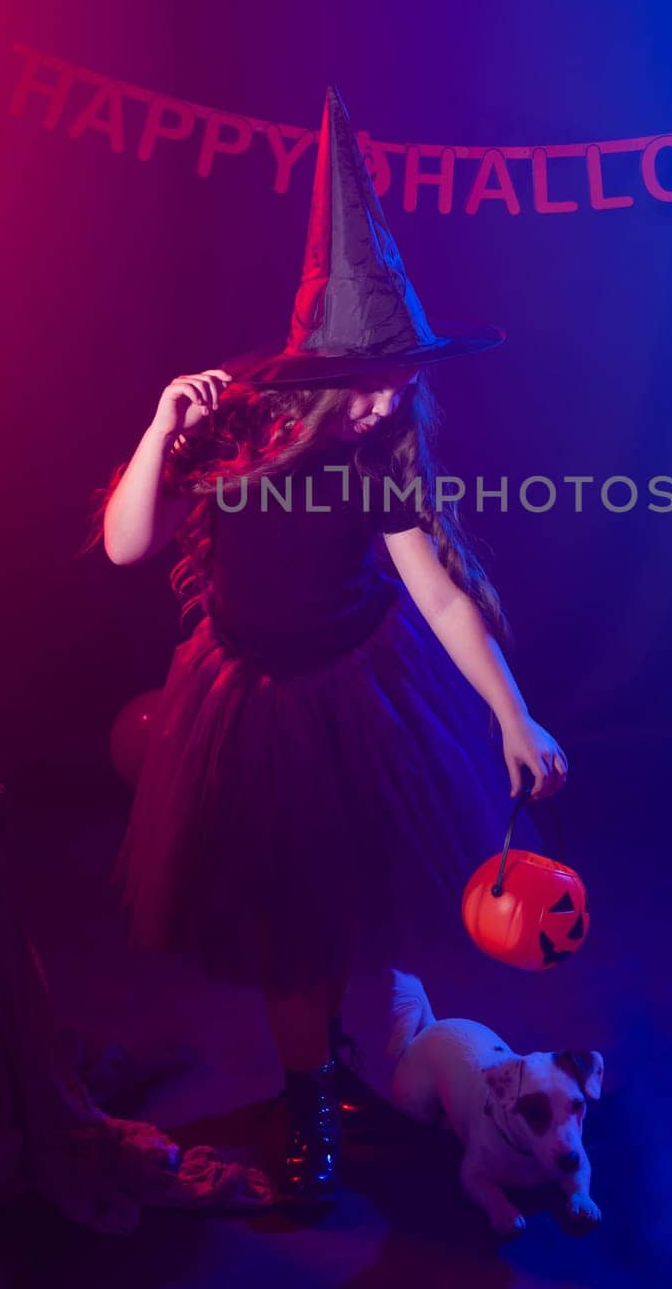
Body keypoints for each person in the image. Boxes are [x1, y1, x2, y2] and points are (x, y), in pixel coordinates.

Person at [92, 87, 569, 1207]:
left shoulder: (384, 451)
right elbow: (125, 548)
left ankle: (359, 1065)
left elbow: (441, 599)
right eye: (368, 384)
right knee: (285, 923)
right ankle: (308, 1097)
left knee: (353, 902)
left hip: (358, 690)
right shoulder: (237, 427)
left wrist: (512, 712)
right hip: (248, 700)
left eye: (404, 378)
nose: (389, 401)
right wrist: (162, 428)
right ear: (313, 377)